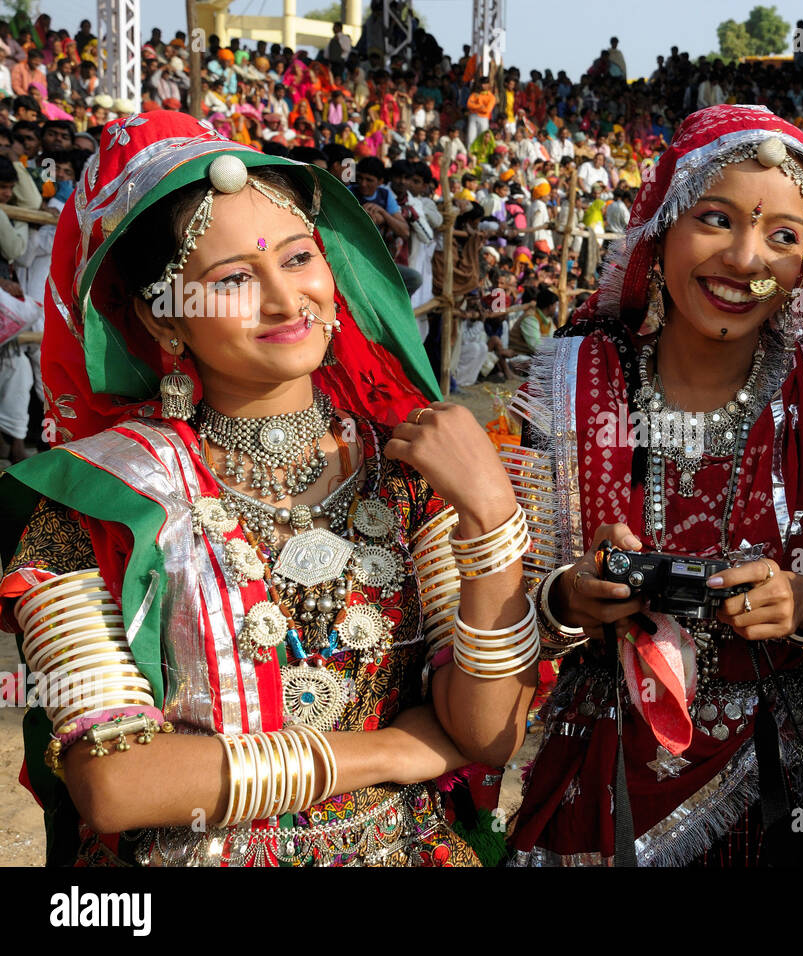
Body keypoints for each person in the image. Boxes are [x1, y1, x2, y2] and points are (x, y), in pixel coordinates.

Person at [0, 110, 537, 867]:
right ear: (163, 323)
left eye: (297, 258)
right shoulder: (96, 499)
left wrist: (491, 518)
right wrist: (384, 751)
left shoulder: (412, 477)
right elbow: (115, 784)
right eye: (233, 280)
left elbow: (486, 735)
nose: (288, 301)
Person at [508, 104, 803, 866]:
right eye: (716, 220)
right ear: (660, 232)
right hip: (602, 764)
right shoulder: (573, 386)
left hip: (775, 775)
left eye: (782, 237)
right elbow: (518, 610)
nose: (745, 258)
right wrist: (571, 596)